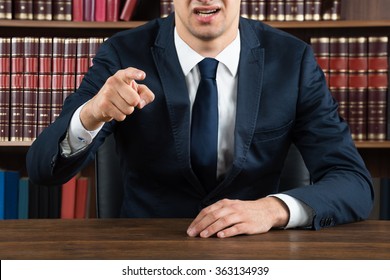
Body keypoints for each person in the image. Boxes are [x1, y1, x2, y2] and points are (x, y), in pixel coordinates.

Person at [26, 0, 373, 238]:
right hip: (145, 254)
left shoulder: (292, 60)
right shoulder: (123, 52)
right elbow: (43, 169)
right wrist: (90, 115)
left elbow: (353, 182)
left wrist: (273, 210)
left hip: (257, 256)